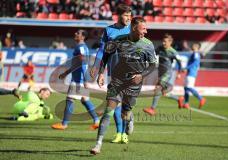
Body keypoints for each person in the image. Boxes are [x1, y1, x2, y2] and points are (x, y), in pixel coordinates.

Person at [90, 16, 157, 155]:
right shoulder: (118, 40)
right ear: (134, 27)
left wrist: (141, 76)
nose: (146, 31)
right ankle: (98, 144)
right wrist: (101, 73)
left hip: (134, 83)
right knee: (109, 111)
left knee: (125, 113)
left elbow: (152, 66)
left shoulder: (148, 45)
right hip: (117, 81)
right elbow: (106, 56)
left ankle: (130, 116)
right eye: (143, 28)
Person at [90, 4, 133, 144]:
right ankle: (120, 133)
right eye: (126, 15)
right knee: (114, 105)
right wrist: (98, 70)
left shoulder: (133, 29)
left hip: (130, 74)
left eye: (130, 15)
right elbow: (103, 51)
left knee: (125, 106)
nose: (128, 18)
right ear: (118, 15)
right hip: (113, 74)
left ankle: (129, 121)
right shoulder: (109, 30)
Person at [51, 29, 99, 130]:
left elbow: (83, 62)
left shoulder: (81, 47)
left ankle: (64, 124)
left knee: (70, 99)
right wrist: (66, 73)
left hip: (79, 80)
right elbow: (77, 63)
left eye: (78, 33)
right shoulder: (83, 47)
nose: (75, 34)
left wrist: (85, 79)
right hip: (80, 78)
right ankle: (96, 121)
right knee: (85, 100)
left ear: (83, 37)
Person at [143, 33, 183, 115]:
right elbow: (153, 55)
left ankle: (152, 109)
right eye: (163, 41)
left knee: (158, 88)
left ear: (170, 42)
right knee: (164, 92)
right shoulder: (160, 48)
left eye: (165, 41)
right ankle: (179, 99)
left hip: (167, 73)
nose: (163, 43)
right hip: (160, 73)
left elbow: (180, 62)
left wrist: (179, 73)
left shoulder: (173, 52)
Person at [180, 43, 206, 109]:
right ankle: (186, 103)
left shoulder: (196, 54)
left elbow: (195, 63)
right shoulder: (194, 53)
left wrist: (186, 68)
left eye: (194, 45)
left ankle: (201, 99)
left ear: (197, 47)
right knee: (186, 88)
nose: (192, 46)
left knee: (189, 87)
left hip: (192, 73)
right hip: (189, 72)